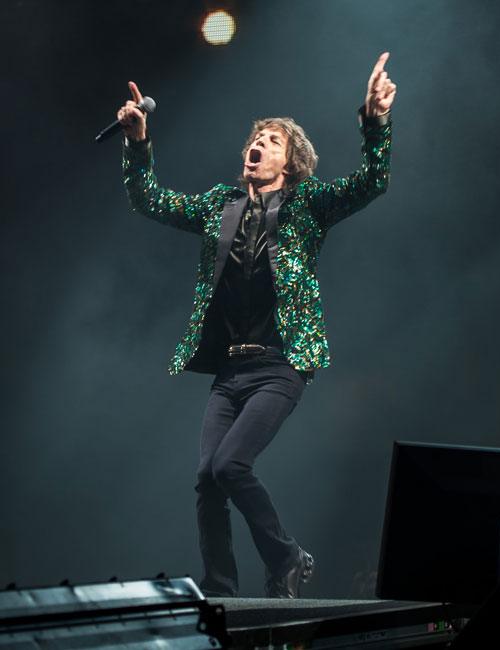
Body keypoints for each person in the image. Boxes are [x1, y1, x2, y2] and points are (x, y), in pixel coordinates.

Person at [116, 53, 397, 598]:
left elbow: (372, 181)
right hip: (230, 369)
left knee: (230, 465)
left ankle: (287, 557)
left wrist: (377, 123)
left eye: (272, 139)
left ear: (290, 163)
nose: (259, 143)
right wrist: (138, 143)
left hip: (280, 365)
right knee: (207, 479)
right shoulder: (217, 205)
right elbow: (149, 200)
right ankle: (221, 588)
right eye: (257, 137)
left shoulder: (307, 204)